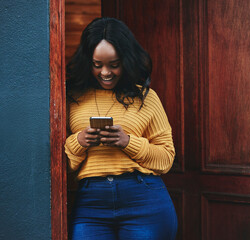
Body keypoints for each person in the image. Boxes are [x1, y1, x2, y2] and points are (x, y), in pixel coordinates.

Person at [65, 17, 178, 240]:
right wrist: (79, 141)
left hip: (143, 198)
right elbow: (58, 167)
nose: (105, 72)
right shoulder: (71, 98)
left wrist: (127, 142)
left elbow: (166, 158)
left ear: (126, 60)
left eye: (113, 64)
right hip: (91, 204)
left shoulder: (147, 97)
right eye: (97, 65)